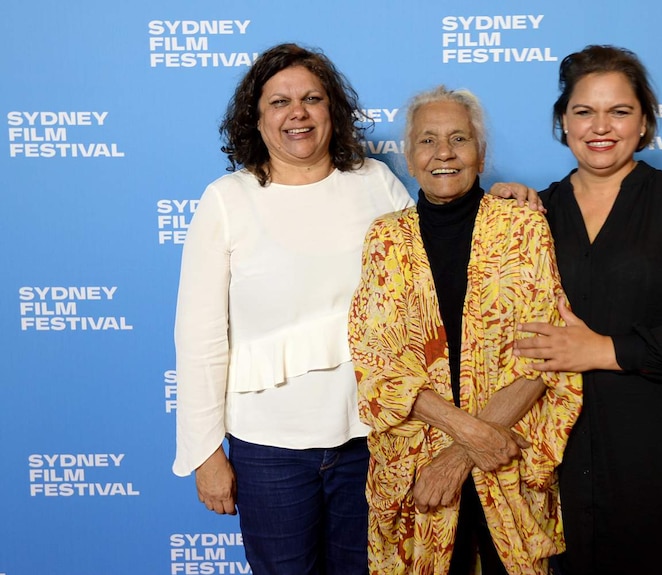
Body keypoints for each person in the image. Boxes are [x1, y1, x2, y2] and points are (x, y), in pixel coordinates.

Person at [493, 45, 662, 575]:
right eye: (584, 111)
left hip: (655, 459)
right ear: (563, 121)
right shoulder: (532, 214)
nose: (600, 126)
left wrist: (604, 350)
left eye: (619, 111)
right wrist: (493, 208)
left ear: (644, 121)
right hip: (556, 467)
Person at [172, 43, 413, 575]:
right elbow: (200, 337)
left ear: (334, 111)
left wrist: (502, 201)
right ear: (256, 120)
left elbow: (429, 286)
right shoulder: (226, 199)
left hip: (371, 438)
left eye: (312, 98)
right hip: (268, 450)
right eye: (279, 102)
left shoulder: (377, 183)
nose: (297, 113)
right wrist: (206, 453)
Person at [348, 86, 583, 575]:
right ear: (409, 160)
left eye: (459, 137)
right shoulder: (384, 240)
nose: (444, 153)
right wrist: (469, 436)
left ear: (481, 152)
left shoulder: (523, 226)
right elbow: (378, 367)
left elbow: (546, 353)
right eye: (427, 141)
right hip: (416, 470)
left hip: (508, 461)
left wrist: (458, 457)